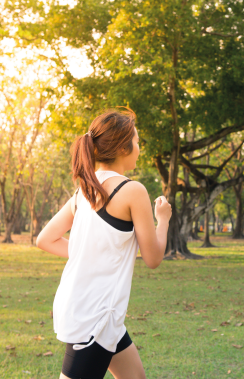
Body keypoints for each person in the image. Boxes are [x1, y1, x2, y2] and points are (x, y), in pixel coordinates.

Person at [36, 107, 172, 379]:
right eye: (136, 141)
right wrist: (163, 219)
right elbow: (154, 258)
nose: (139, 148)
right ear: (123, 147)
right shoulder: (132, 190)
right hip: (94, 318)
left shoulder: (84, 190)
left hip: (100, 313)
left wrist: (88, 254)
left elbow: (45, 239)